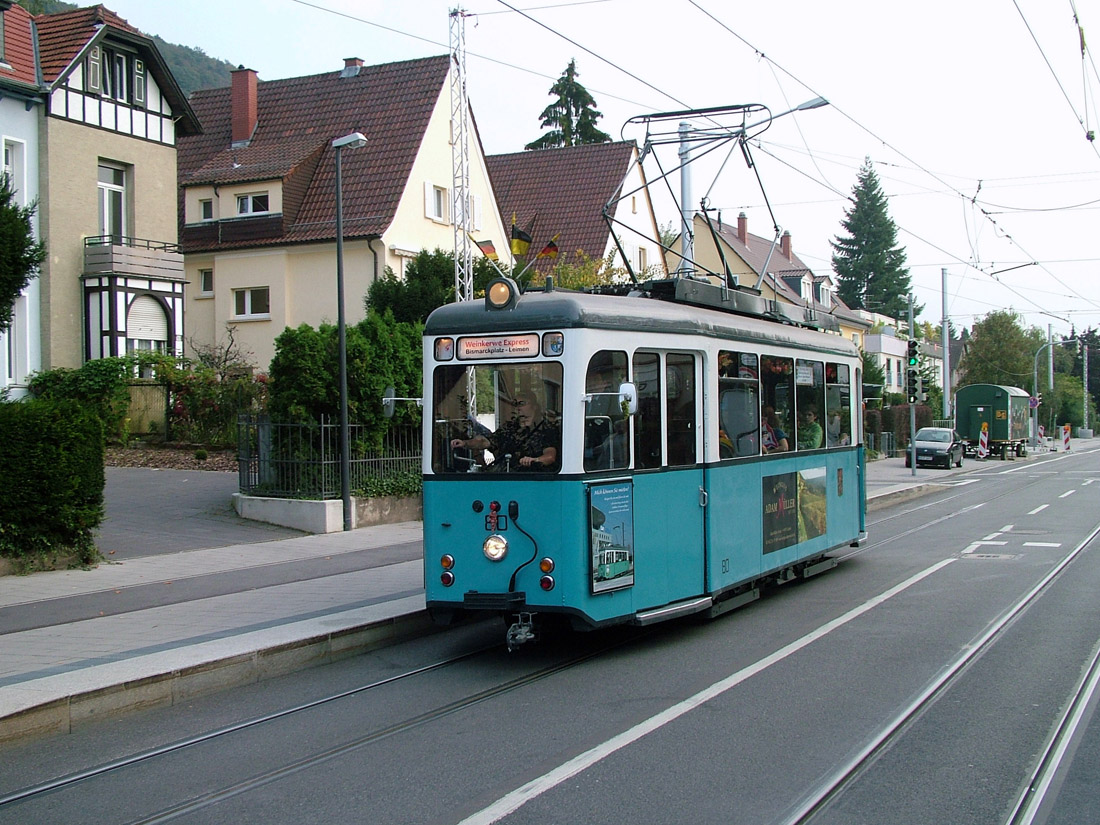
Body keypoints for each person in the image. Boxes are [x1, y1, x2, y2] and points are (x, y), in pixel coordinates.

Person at [451, 392, 560, 471]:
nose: (518, 407)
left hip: (534, 480)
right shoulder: (509, 427)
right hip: (507, 479)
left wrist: (534, 460)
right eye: (515, 404)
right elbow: (485, 441)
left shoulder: (546, 428)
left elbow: (550, 456)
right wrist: (465, 443)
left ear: (534, 406)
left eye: (522, 403)